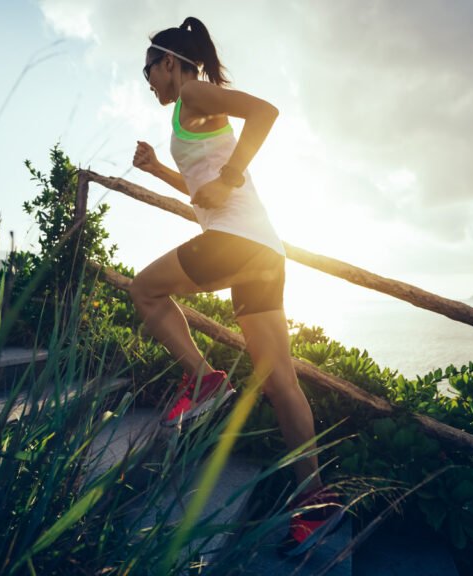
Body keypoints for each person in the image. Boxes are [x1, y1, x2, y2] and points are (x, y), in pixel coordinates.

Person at [128, 16, 344, 558]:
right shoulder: (187, 115)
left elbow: (265, 113)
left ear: (170, 63)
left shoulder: (195, 92)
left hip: (237, 243)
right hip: (263, 252)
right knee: (281, 383)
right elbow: (203, 195)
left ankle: (202, 380)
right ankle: (315, 502)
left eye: (147, 68)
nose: (146, 79)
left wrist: (232, 175)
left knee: (146, 290)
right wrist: (158, 169)